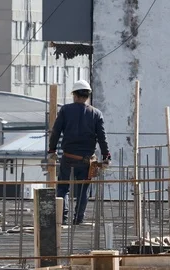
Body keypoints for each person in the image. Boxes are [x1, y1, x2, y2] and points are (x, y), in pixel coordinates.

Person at [48, 80, 110, 225]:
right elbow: (102, 137)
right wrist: (106, 156)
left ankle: (61, 218)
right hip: (87, 161)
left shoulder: (65, 110)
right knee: (84, 190)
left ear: (75, 95)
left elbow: (56, 131)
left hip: (68, 157)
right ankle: (78, 218)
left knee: (63, 188)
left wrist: (52, 150)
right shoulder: (96, 113)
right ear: (88, 96)